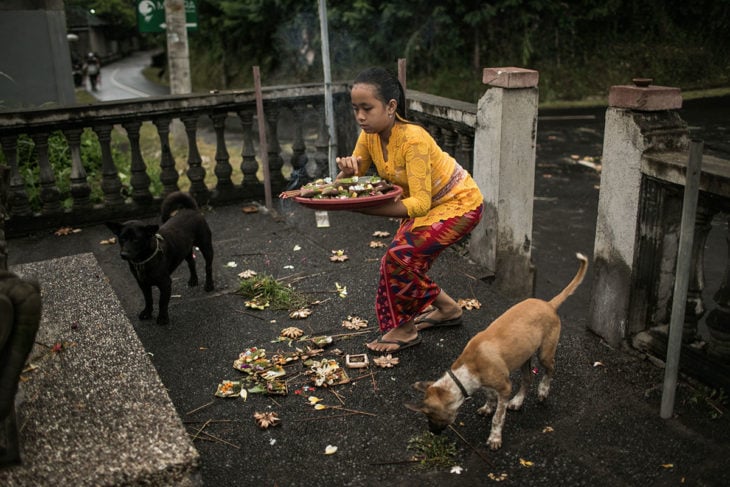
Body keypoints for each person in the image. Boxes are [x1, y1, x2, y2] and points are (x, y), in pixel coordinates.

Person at [335, 67, 484, 354]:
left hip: (460, 205)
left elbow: (419, 204)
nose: (360, 117)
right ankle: (448, 309)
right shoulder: (370, 135)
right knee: (401, 260)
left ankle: (404, 329)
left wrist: (366, 210)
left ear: (391, 107)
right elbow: (348, 185)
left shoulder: (413, 139)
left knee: (399, 258)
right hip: (430, 206)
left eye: (367, 108)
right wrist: (345, 173)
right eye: (356, 109)